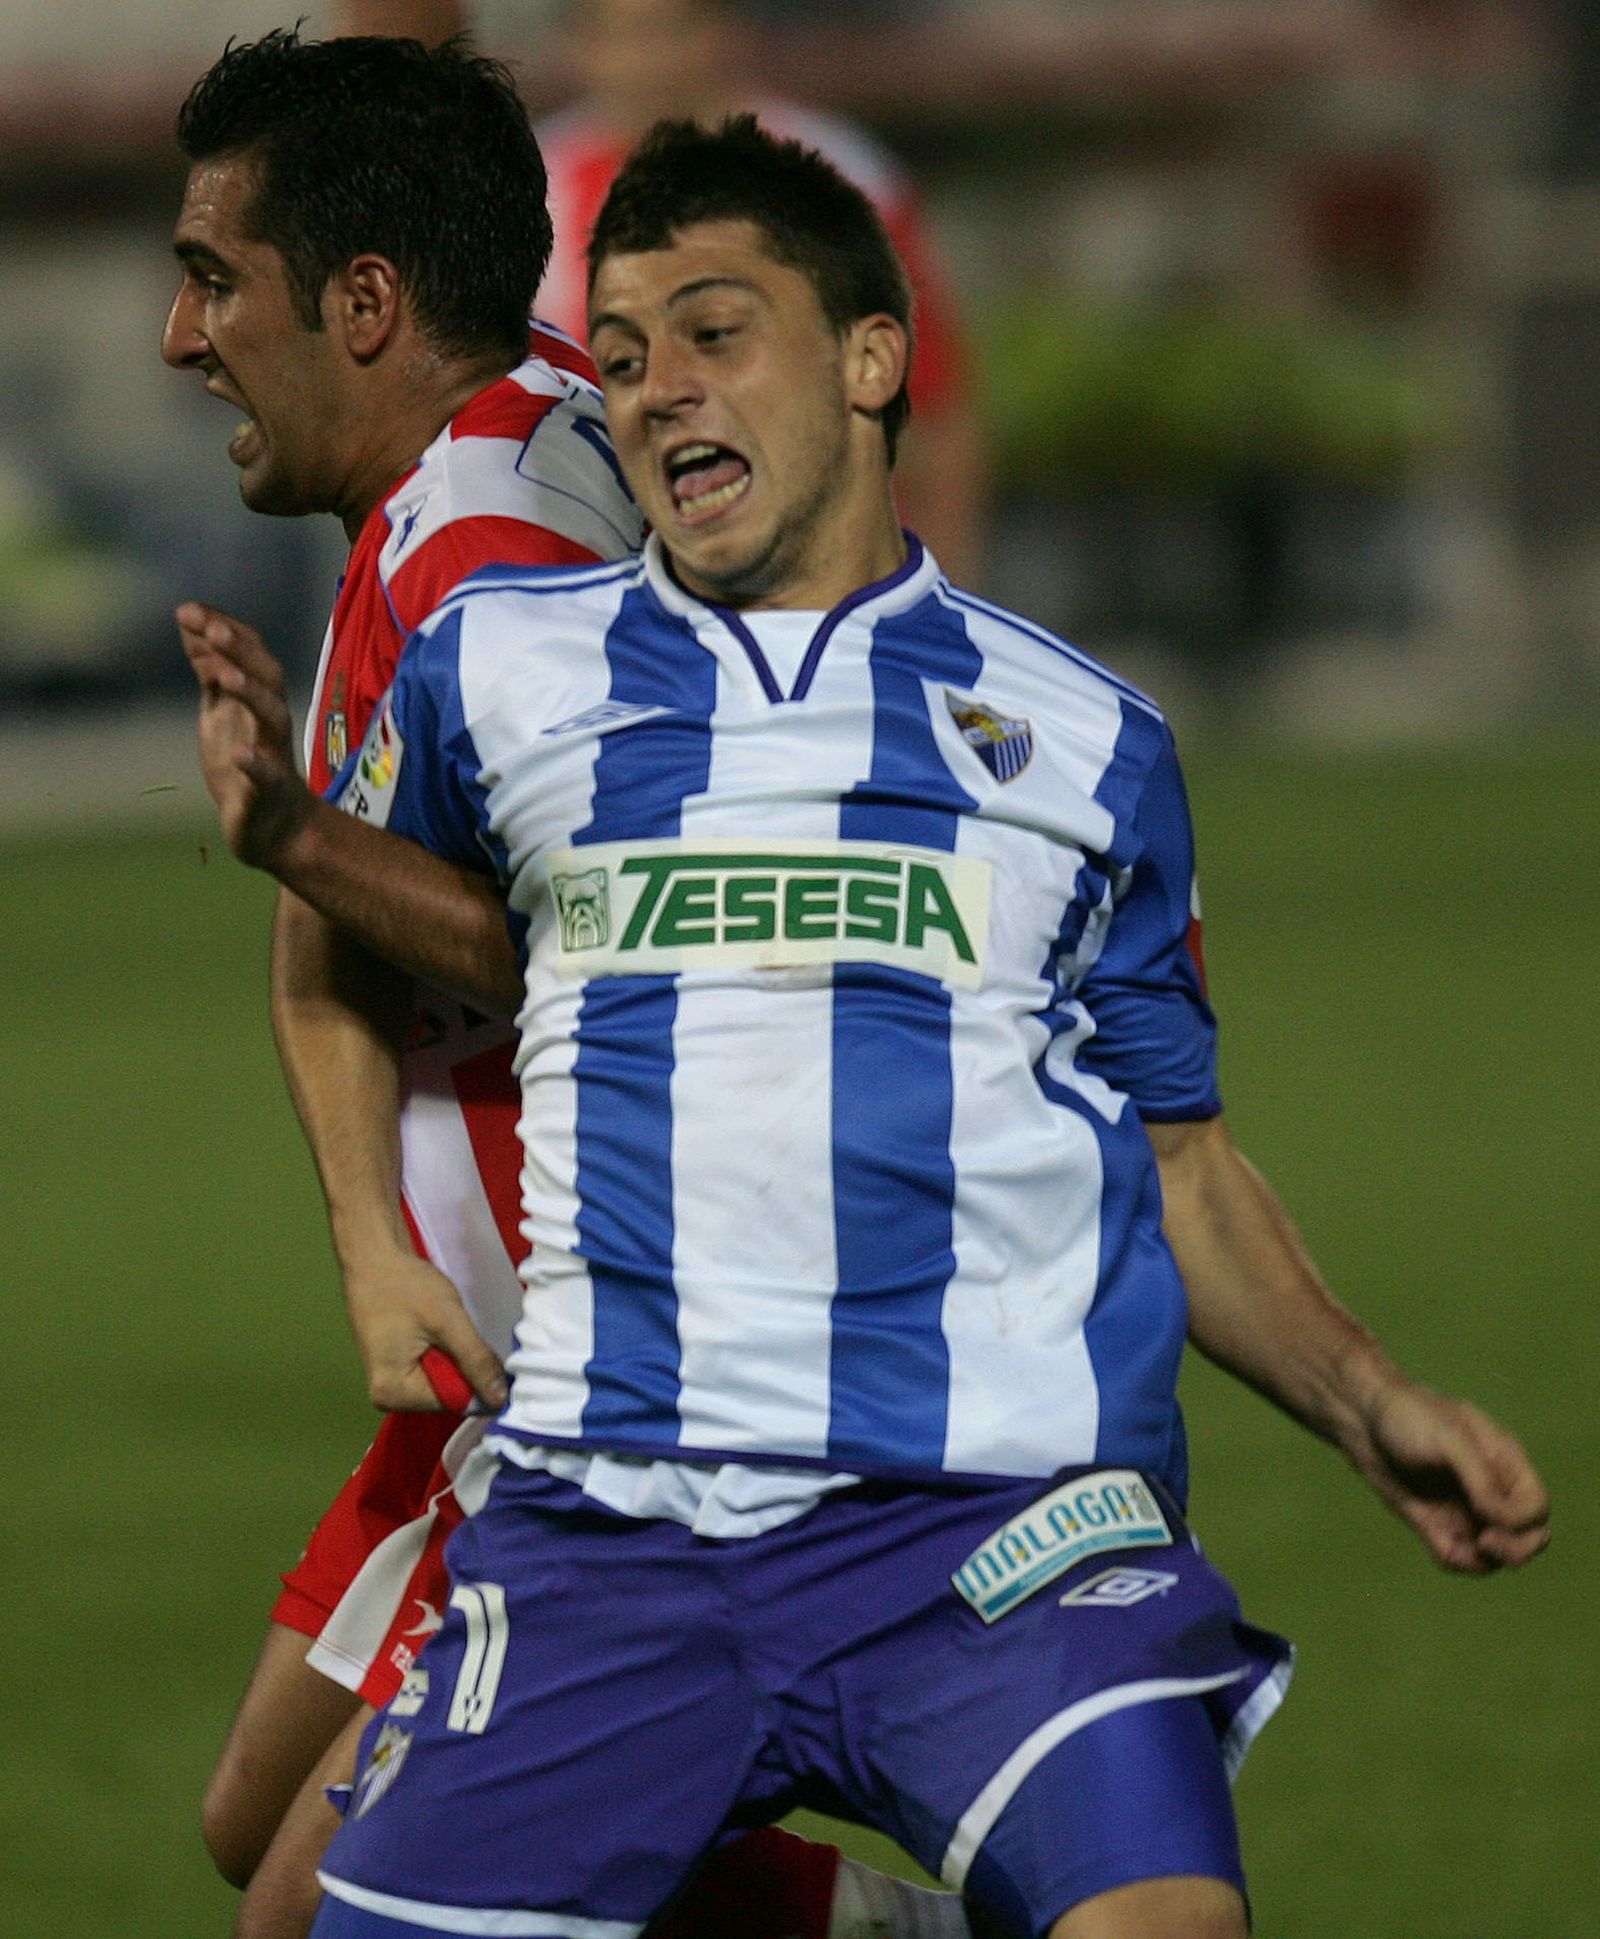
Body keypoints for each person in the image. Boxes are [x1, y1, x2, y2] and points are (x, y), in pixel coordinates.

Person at [182, 116, 1549, 1939]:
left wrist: (1371, 1400)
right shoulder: (501, 666)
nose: (660, 389)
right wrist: (298, 865)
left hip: (988, 1525)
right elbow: (336, 947)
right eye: (626, 350)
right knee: (289, 1902)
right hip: (607, 1533)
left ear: (871, 357)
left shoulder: (1084, 739)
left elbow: (1180, 1158)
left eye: (716, 331)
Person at [167, 33, 963, 1939]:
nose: (182, 338)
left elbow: (615, 937)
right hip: (490, 1331)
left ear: (366, 303)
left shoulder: (490, 564)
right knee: (247, 1814)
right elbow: (336, 921)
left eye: (212, 280)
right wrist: (372, 1237)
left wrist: (296, 837)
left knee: (312, 1909)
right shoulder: (486, 447)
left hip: (606, 1351)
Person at [345, 0, 987, 583]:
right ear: (579, 46)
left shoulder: (840, 176)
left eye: (666, 31)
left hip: (815, 584)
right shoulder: (530, 190)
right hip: (604, 583)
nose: (644, 62)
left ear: (726, 31)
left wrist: (945, 587)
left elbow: (935, 410)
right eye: (619, 36)